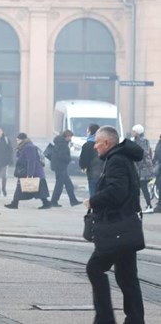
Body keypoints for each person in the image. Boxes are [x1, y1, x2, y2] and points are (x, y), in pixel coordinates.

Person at [84, 126, 144, 324]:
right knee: (127, 277)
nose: (95, 147)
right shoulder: (120, 158)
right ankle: (135, 320)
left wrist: (93, 201)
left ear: (107, 143)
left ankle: (105, 318)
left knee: (95, 268)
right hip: (125, 227)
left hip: (117, 228)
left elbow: (117, 192)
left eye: (97, 143)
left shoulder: (116, 160)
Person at [4, 133, 51, 210]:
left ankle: (46, 203)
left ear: (23, 140)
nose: (17, 141)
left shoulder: (29, 147)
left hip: (34, 172)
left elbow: (31, 161)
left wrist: (30, 174)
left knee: (38, 189)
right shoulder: (24, 147)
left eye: (18, 140)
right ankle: (14, 203)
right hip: (26, 171)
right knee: (22, 188)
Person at [49, 130, 79, 207]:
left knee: (68, 184)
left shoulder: (60, 142)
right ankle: (54, 201)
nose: (71, 139)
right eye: (70, 137)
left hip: (59, 166)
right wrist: (69, 159)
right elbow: (62, 155)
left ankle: (73, 200)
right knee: (59, 185)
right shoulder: (62, 144)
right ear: (66, 136)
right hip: (60, 167)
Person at [130, 124, 154, 213]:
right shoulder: (135, 140)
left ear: (138, 132)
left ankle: (149, 206)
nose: (132, 133)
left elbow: (143, 153)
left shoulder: (143, 141)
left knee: (142, 188)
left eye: (134, 131)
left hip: (143, 168)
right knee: (138, 189)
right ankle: (143, 206)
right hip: (138, 168)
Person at [79, 124, 103, 198]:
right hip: (104, 172)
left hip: (93, 172)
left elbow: (84, 158)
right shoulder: (104, 143)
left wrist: (83, 167)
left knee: (93, 191)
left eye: (87, 131)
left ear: (90, 132)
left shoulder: (88, 144)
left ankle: (95, 207)